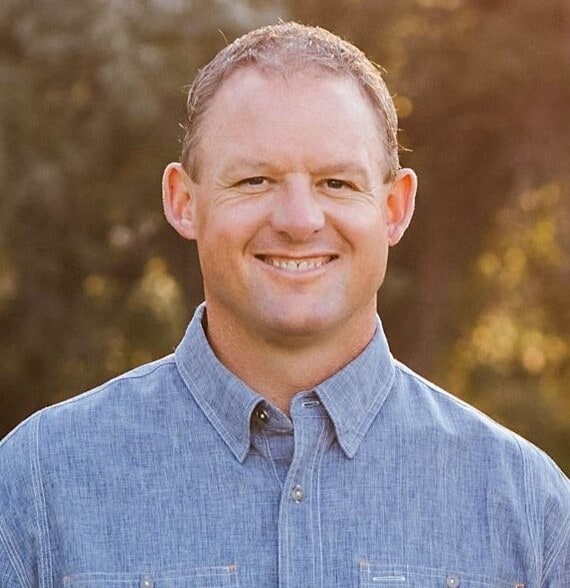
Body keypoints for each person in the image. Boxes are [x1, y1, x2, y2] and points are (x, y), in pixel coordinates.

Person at [1, 21, 569, 588]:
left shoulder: (530, 509)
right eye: (255, 180)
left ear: (394, 208)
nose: (299, 221)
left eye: (336, 183)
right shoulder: (37, 488)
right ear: (184, 201)